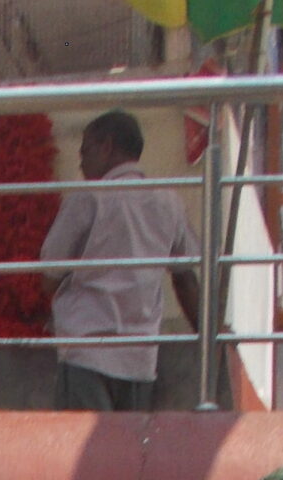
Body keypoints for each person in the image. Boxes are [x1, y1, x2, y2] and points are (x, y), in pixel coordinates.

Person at [37, 110, 202, 413]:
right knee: (128, 454)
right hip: (140, 361)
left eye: (84, 150)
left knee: (83, 456)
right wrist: (211, 334)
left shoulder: (88, 198)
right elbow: (185, 278)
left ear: (106, 146)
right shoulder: (169, 201)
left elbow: (48, 276)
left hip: (86, 355)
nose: (81, 162)